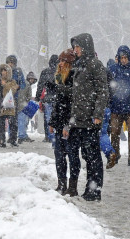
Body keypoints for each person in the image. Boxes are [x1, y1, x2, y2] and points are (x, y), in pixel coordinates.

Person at [68, 33, 108, 201]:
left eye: (77, 47)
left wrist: (98, 114)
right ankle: (89, 189)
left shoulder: (95, 65)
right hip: (79, 119)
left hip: (90, 120)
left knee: (92, 157)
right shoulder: (79, 65)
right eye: (74, 47)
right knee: (85, 155)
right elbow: (77, 92)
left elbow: (102, 91)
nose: (75, 50)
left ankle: (95, 190)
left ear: (85, 47)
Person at [47, 49, 80, 196]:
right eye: (59, 61)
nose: (60, 63)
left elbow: (74, 99)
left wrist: (69, 125)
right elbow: (57, 103)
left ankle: (72, 187)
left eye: (63, 61)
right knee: (59, 155)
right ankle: (61, 184)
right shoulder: (59, 77)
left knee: (72, 155)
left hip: (71, 123)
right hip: (60, 122)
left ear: (69, 63)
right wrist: (52, 122)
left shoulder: (75, 76)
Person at [105, 45, 130, 169]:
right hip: (116, 107)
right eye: (122, 57)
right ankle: (116, 155)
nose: (124, 60)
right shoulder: (113, 69)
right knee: (114, 134)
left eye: (126, 57)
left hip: (129, 107)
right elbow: (108, 86)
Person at [36, 55, 60, 143]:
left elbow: (40, 85)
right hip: (58, 99)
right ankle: (56, 136)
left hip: (48, 98)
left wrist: (38, 96)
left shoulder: (45, 72)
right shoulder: (59, 71)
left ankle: (50, 137)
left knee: (49, 118)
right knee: (58, 117)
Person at [5, 55, 25, 142]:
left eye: (12, 62)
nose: (11, 64)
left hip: (14, 98)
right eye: (9, 62)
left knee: (13, 119)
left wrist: (18, 86)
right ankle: (3, 137)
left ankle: (12, 138)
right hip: (4, 98)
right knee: (3, 118)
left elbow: (23, 84)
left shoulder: (18, 71)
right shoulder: (3, 71)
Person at [0, 63, 19, 148]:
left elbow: (12, 91)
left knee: (13, 123)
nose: (3, 72)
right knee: (0, 124)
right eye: (2, 70)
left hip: (10, 106)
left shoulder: (12, 81)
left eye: (5, 70)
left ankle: (13, 140)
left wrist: (5, 85)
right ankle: (1, 140)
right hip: (1, 105)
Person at [17, 72, 37, 144]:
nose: (32, 80)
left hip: (15, 105)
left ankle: (13, 136)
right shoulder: (27, 84)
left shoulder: (16, 82)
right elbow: (29, 97)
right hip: (23, 105)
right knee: (23, 121)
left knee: (14, 122)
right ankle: (22, 136)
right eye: (31, 79)